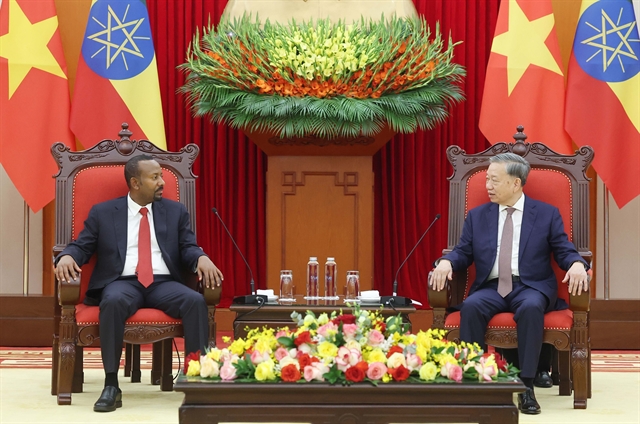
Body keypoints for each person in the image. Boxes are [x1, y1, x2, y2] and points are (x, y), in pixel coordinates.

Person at [54, 154, 223, 413]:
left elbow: (187, 246)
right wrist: (67, 256)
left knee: (195, 301)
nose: (162, 182)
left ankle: (196, 381)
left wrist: (201, 257)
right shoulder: (104, 213)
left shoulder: (175, 212)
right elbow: (82, 246)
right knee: (112, 301)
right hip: (122, 282)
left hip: (163, 283)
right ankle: (111, 385)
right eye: (155, 177)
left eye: (161, 176)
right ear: (135, 183)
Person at [429, 152, 588, 415]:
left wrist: (577, 264)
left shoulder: (546, 214)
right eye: (487, 179)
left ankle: (526, 386)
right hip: (491, 287)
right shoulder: (478, 216)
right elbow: (463, 252)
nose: (487, 185)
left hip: (530, 286)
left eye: (494, 180)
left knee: (531, 307)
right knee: (471, 307)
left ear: (516, 183)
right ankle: (474, 383)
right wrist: (445, 262)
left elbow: (563, 249)